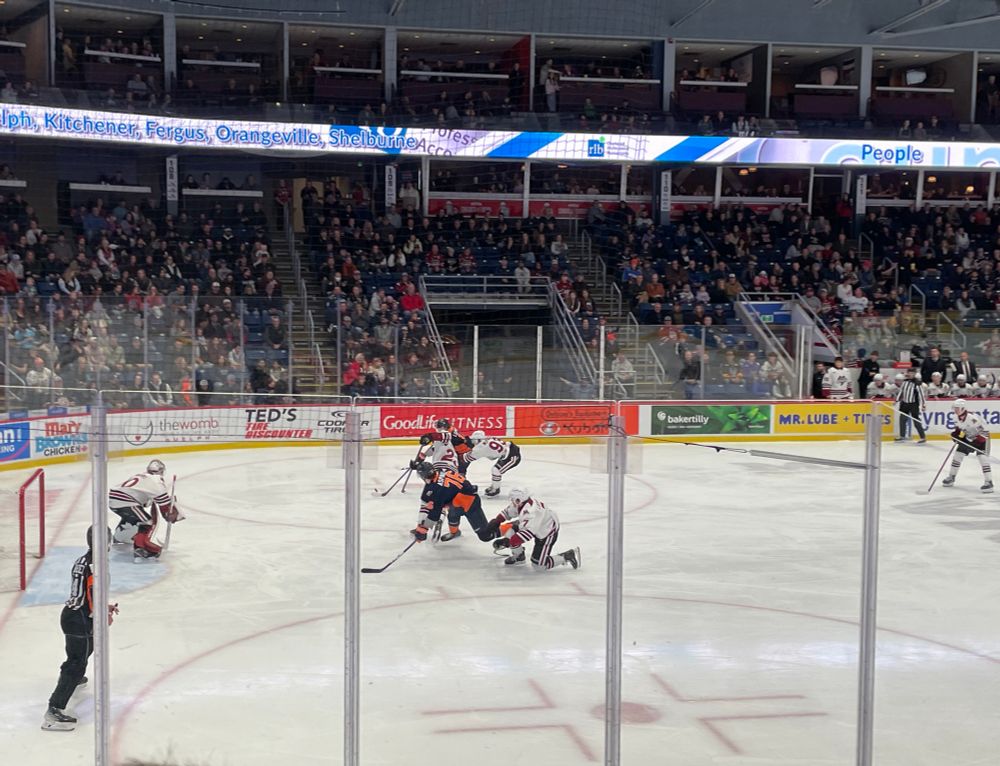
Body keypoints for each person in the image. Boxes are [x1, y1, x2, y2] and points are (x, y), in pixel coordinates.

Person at [42, 526, 119, 731]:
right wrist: (103, 614)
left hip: (74, 614)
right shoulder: (95, 564)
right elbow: (93, 595)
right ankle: (54, 711)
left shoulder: (85, 559)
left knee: (82, 653)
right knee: (77, 662)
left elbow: (88, 593)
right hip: (79, 619)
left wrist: (103, 607)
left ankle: (71, 680)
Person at [409, 461, 500, 543]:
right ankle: (454, 533)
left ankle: (509, 530)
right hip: (458, 500)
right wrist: (418, 466)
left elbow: (435, 514)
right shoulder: (440, 472)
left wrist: (423, 530)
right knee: (452, 515)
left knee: (485, 536)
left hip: (470, 505)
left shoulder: (438, 490)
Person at [108, 459, 182, 559]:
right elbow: (164, 506)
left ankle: (120, 538)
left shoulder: (140, 476)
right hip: (126, 501)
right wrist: (171, 514)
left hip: (113, 499)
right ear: (161, 471)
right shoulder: (158, 482)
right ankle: (141, 549)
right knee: (147, 522)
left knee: (133, 517)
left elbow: (144, 499)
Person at [491, 489, 579, 569]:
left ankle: (567, 556)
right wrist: (497, 521)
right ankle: (519, 556)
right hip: (536, 525)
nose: (512, 502)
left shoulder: (531, 512)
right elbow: (508, 512)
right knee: (510, 533)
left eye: (512, 500)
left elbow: (526, 535)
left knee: (539, 565)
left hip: (547, 531)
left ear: (518, 500)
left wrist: (507, 542)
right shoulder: (523, 502)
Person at [942, 399, 992, 492]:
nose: (955, 410)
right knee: (957, 455)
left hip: (982, 438)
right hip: (969, 438)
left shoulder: (973, 418)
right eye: (955, 408)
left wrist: (975, 441)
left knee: (983, 459)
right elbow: (959, 429)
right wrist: (956, 435)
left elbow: (984, 432)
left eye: (957, 408)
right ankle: (951, 477)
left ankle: (989, 482)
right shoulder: (955, 417)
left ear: (963, 408)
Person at [465, 430, 521, 497]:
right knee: (496, 469)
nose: (473, 441)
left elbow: (468, 458)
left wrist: (464, 451)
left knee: (496, 471)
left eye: (474, 440)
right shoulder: (489, 439)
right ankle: (495, 486)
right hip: (510, 450)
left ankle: (495, 489)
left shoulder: (480, 448)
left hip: (513, 458)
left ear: (478, 439)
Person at [894, 367, 926, 444]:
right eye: (909, 373)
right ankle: (902, 436)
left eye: (912, 373)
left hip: (913, 404)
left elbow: (921, 395)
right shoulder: (905, 382)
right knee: (902, 420)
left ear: (915, 374)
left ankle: (922, 437)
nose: (910, 374)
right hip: (904, 403)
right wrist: (897, 400)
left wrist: (923, 405)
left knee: (916, 421)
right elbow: (901, 391)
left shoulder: (917, 383)